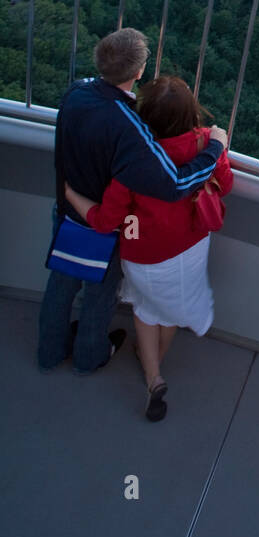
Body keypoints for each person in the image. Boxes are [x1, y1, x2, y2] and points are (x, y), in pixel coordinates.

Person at [38, 28, 227, 378]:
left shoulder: (75, 93)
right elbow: (175, 183)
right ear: (139, 72)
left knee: (60, 285)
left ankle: (48, 353)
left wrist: (70, 194)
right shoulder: (131, 124)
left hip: (67, 211)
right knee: (99, 293)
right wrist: (215, 147)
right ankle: (88, 357)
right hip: (102, 221)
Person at [64, 74, 233, 422]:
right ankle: (151, 363)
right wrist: (218, 145)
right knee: (169, 311)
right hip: (192, 244)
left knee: (146, 307)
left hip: (145, 254)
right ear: (191, 113)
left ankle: (153, 376)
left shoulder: (133, 160)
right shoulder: (205, 143)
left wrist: (71, 195)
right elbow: (225, 184)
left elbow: (106, 221)